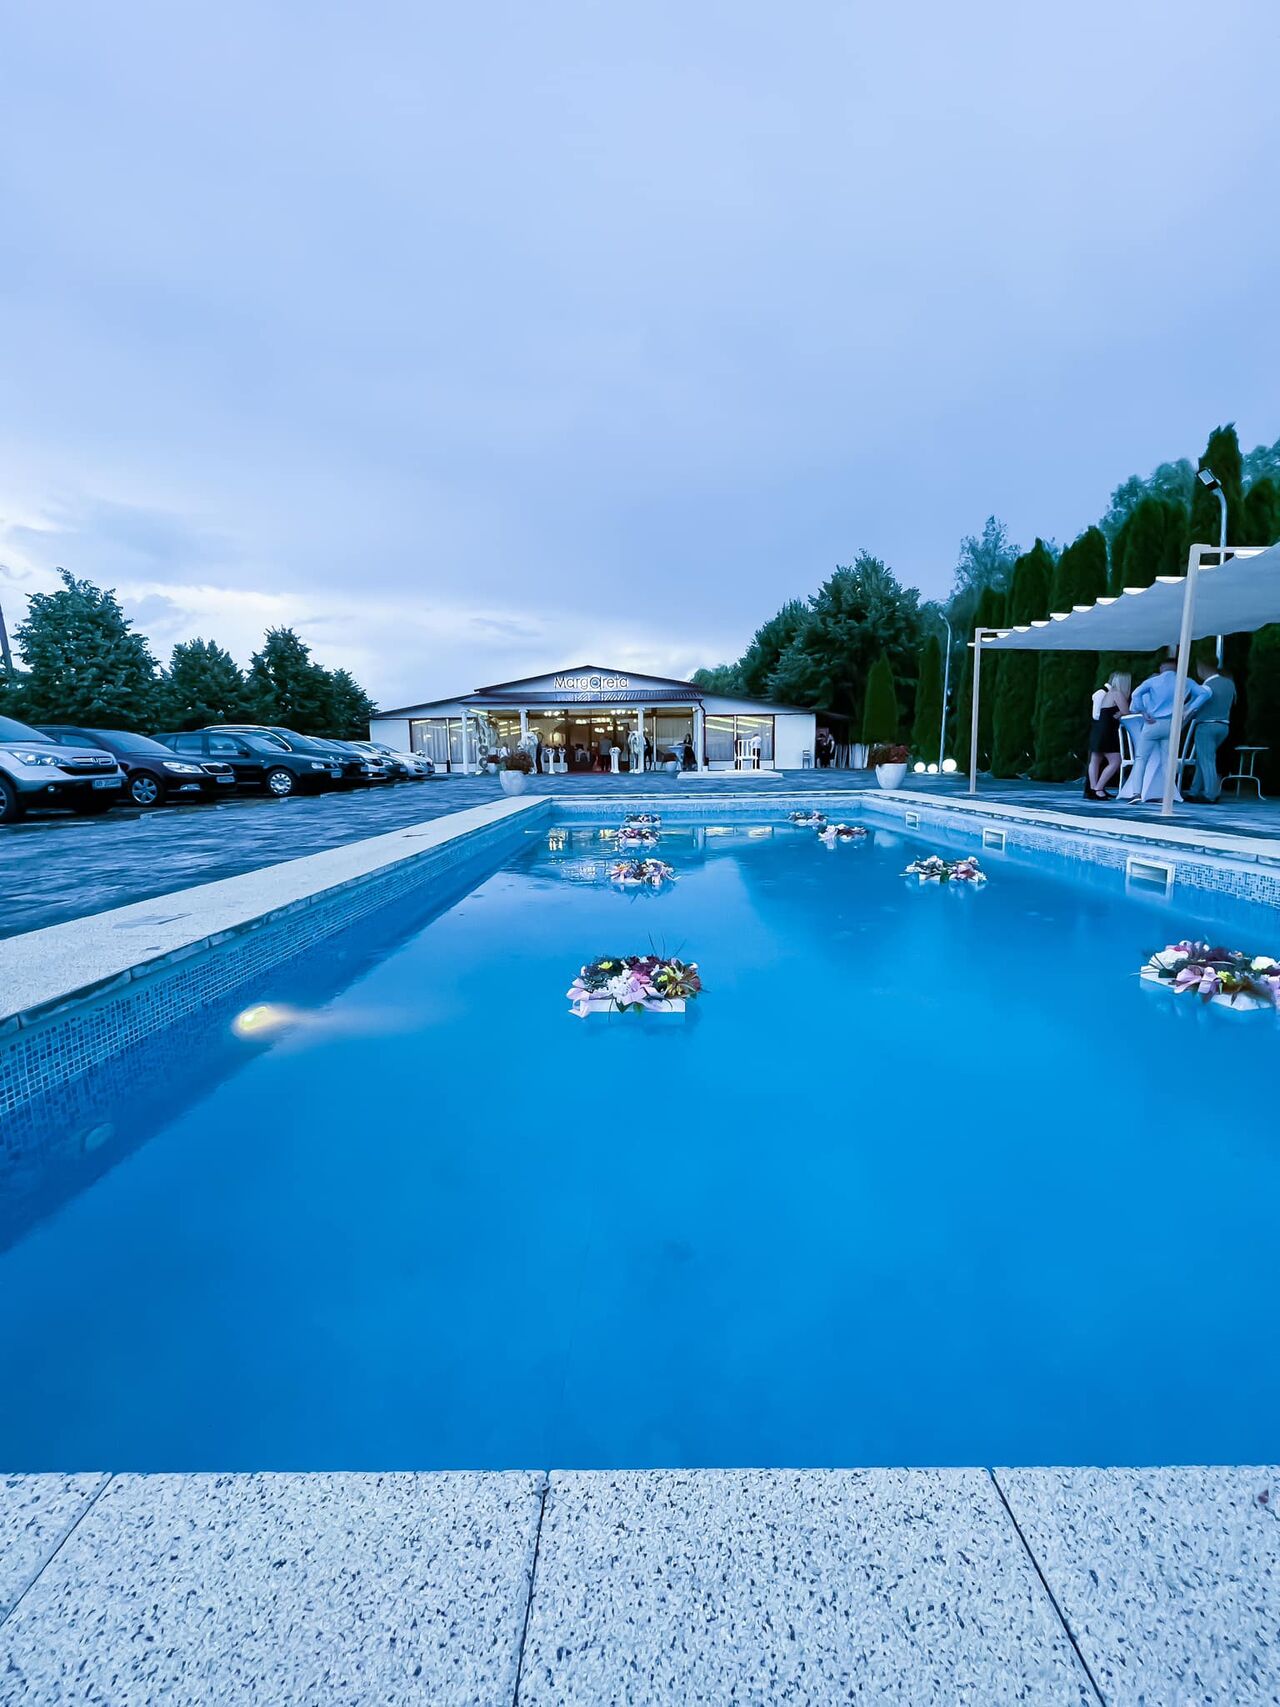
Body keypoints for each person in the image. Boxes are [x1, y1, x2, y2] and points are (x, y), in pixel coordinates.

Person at [1119, 657, 1210, 803]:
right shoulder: (1185, 681)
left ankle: (1137, 793)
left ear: (1162, 667)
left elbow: (1136, 694)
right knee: (1167, 761)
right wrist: (1189, 709)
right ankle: (1167, 794)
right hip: (1172, 725)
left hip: (1152, 723)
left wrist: (1143, 711)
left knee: (1141, 759)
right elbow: (1205, 694)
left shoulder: (1153, 681)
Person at [1187, 659, 1236, 803]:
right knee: (1203, 758)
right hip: (1224, 725)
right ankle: (1194, 791)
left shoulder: (1206, 687)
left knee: (1207, 760)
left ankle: (1210, 794)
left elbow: (1195, 707)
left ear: (1202, 668)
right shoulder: (1229, 683)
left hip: (1206, 725)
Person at [1085, 672, 1130, 801]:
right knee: (1115, 761)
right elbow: (1126, 712)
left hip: (1099, 729)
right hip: (1108, 731)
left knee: (1095, 759)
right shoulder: (1117, 694)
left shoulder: (1108, 694)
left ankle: (1093, 789)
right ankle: (1099, 788)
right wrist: (1122, 713)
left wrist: (1120, 713)